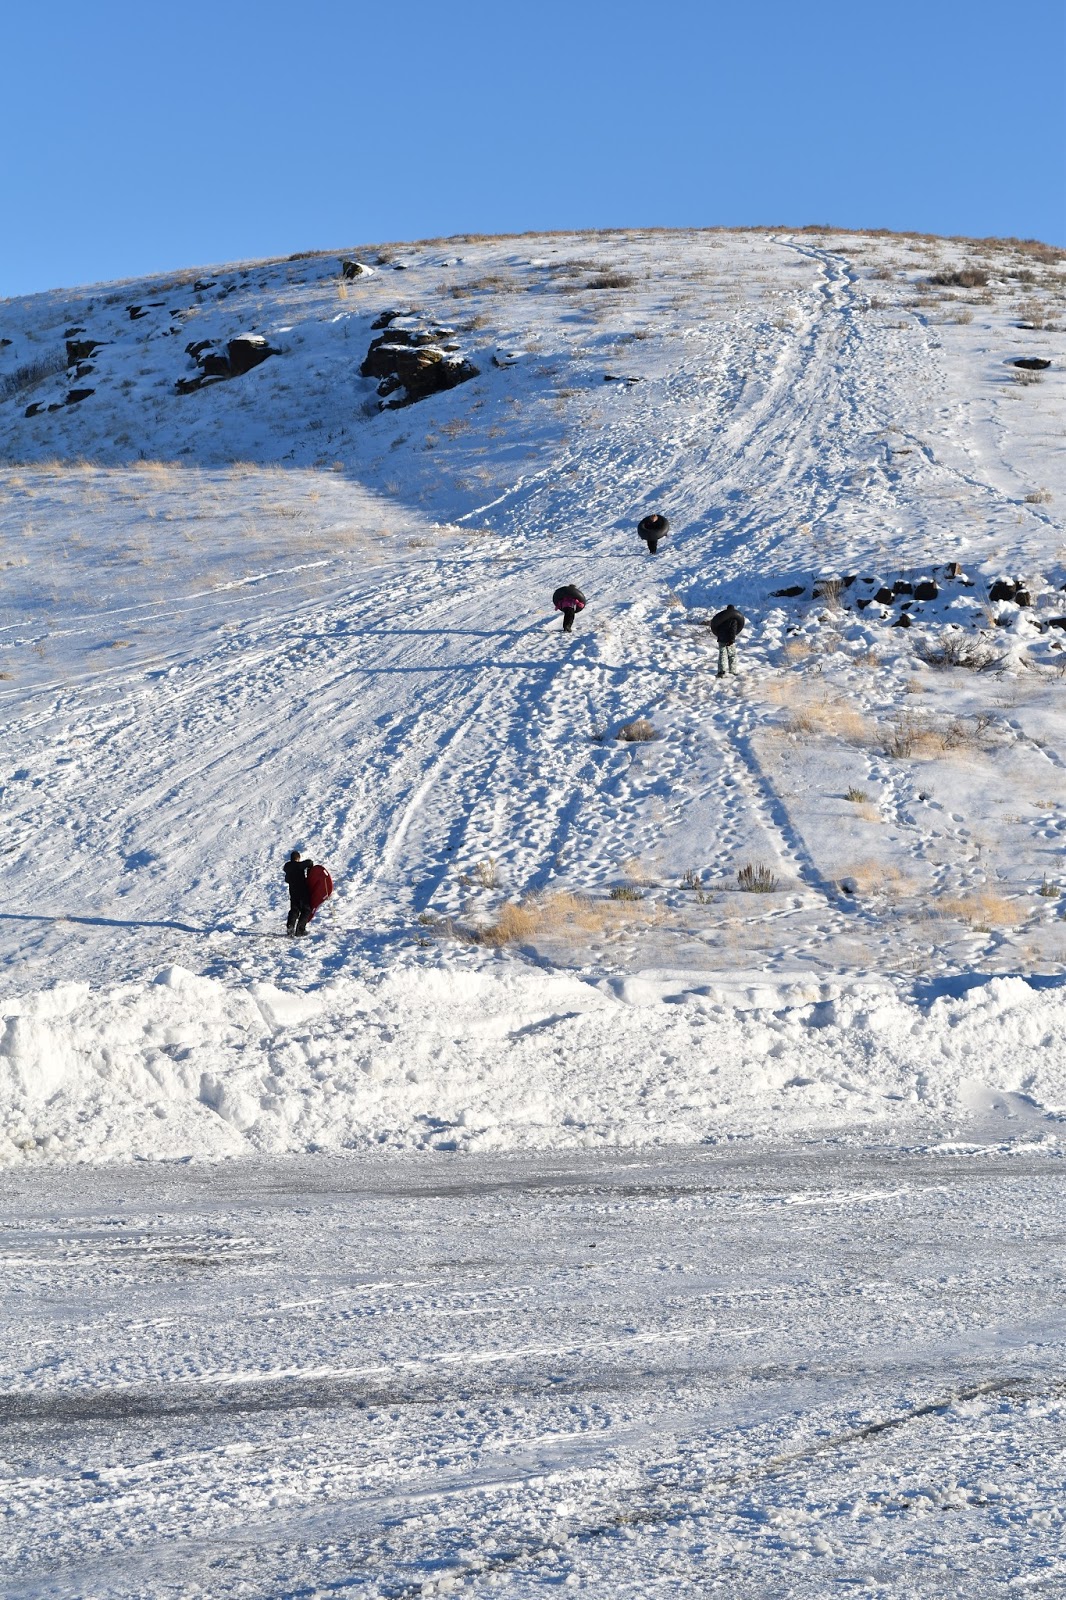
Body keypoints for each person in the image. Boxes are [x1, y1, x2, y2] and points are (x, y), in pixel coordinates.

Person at [709, 603, 745, 677]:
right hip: (729, 640)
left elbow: (717, 628)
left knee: (722, 655)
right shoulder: (734, 620)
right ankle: (733, 671)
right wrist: (731, 640)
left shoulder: (721, 619)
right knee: (732, 655)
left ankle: (721, 671)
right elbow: (733, 631)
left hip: (721, 639)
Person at [283, 849, 311, 936]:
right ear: (298, 858)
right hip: (302, 891)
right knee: (306, 910)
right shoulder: (299, 865)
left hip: (293, 892)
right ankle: (300, 930)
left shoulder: (287, 867)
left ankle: (290, 928)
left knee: (294, 910)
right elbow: (309, 862)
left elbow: (287, 880)